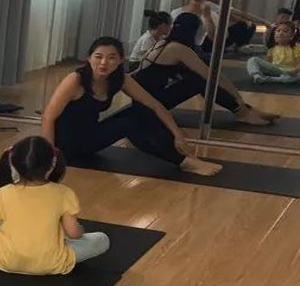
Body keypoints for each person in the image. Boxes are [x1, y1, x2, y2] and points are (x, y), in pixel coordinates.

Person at [42, 37, 222, 177]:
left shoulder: (120, 79)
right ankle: (183, 162)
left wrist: (178, 135)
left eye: (111, 58)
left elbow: (154, 105)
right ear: (89, 59)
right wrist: (50, 158)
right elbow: (48, 118)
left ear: (120, 60)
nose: (104, 63)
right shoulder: (75, 80)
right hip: (66, 146)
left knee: (141, 111)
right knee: (128, 124)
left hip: (90, 135)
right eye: (98, 57)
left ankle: (183, 156)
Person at [0, 136, 108, 274]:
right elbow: (73, 234)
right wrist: (79, 230)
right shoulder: (65, 193)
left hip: (4, 261)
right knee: (102, 239)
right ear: (53, 164)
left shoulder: (0, 194)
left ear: (13, 163)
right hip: (51, 263)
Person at [135, 13, 275, 125]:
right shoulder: (179, 49)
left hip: (144, 101)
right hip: (149, 104)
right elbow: (213, 77)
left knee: (196, 79)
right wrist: (238, 97)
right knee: (200, 81)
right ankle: (243, 113)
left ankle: (247, 111)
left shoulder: (163, 43)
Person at [172, 0, 270, 56]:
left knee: (247, 24)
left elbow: (239, 15)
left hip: (208, 42)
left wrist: (264, 22)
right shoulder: (176, 13)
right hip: (197, 45)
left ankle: (240, 46)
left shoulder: (208, 6)